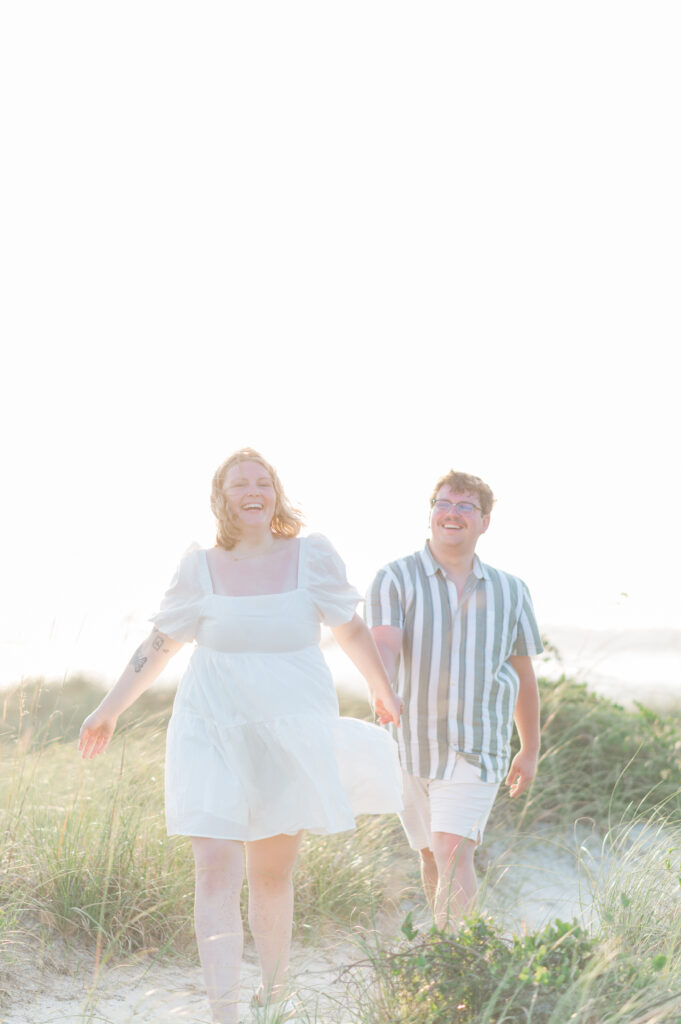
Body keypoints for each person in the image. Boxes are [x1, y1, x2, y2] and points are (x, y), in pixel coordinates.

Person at [79, 448, 403, 1024]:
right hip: (211, 726)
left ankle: (274, 994)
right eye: (239, 485)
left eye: (262, 482)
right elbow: (160, 644)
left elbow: (350, 629)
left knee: (272, 873)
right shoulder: (198, 567)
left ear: (275, 493)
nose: (252, 491)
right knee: (216, 869)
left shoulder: (313, 556)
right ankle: (223, 1010)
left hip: (289, 728)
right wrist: (108, 710)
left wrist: (381, 686)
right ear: (221, 498)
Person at [365, 470, 542, 931]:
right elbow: (382, 644)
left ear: (485, 522)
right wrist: (382, 689)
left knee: (452, 847)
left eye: (466, 507)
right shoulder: (394, 578)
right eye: (444, 503)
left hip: (477, 742)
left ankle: (455, 959)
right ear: (430, 515)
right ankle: (447, 949)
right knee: (430, 853)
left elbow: (523, 674)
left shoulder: (511, 590)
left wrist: (530, 748)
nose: (453, 513)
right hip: (409, 742)